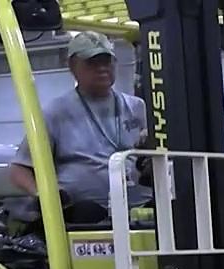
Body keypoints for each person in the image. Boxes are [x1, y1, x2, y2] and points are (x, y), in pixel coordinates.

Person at [9, 31, 149, 216]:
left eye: (106, 61)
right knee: (88, 212)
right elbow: (19, 169)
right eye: (92, 62)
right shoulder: (56, 112)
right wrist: (45, 195)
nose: (102, 68)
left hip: (138, 207)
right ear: (72, 66)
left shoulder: (136, 106)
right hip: (85, 212)